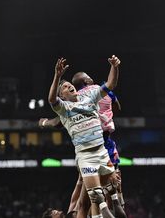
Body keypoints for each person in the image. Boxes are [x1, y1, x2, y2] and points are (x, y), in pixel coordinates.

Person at [48, 56, 121, 218]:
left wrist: (114, 67)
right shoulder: (64, 109)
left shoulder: (90, 96)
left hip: (102, 152)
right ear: (63, 96)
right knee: (96, 198)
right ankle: (104, 209)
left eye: (70, 85)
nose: (69, 87)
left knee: (113, 186)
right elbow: (52, 99)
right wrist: (57, 76)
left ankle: (114, 200)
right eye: (65, 88)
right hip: (86, 156)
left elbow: (111, 84)